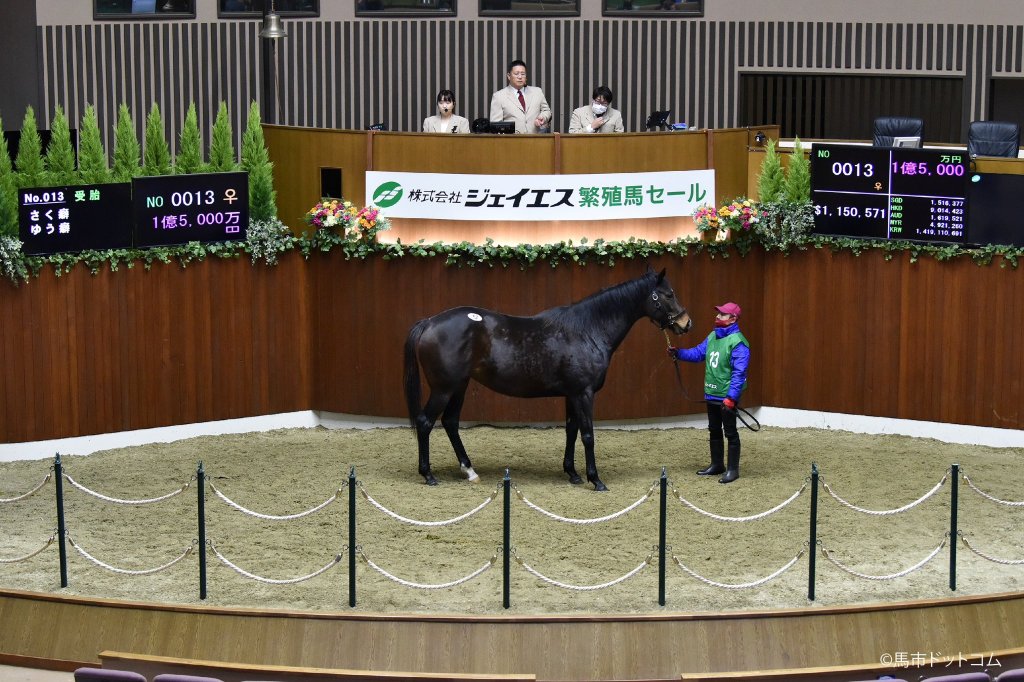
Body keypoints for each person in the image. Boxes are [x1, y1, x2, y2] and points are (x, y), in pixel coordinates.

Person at [667, 302, 750, 484]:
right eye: (718, 313)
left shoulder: (738, 343)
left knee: (730, 432)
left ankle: (733, 470)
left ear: (733, 319)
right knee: (714, 429)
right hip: (712, 393)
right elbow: (698, 353)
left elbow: (739, 373)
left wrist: (731, 398)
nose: (718, 316)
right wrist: (679, 353)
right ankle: (717, 464)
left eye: (723, 314)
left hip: (726, 397)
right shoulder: (713, 336)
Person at [489, 59, 552, 134]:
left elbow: (546, 111)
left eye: (523, 74)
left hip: (535, 138)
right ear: (509, 76)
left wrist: (543, 117)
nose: (520, 77)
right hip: (512, 140)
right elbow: (496, 126)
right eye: (516, 74)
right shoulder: (498, 96)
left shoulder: (537, 92)